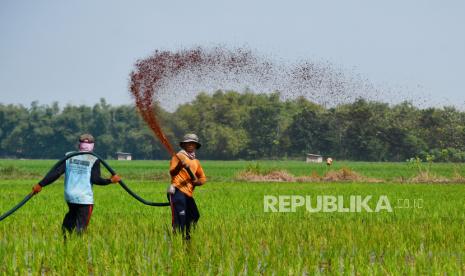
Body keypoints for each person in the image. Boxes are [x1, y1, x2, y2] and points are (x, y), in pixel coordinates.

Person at [31, 134, 121, 237]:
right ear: (93, 146)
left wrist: (40, 184)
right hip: (84, 199)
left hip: (70, 196)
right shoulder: (93, 159)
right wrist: (111, 180)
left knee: (71, 216)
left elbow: (56, 173)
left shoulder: (69, 155)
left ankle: (65, 239)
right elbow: (96, 180)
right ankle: (77, 245)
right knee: (81, 226)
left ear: (79, 145)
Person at [167, 133, 207, 240]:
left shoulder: (196, 161)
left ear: (196, 146)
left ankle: (187, 237)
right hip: (177, 190)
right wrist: (180, 166)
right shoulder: (179, 157)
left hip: (188, 194)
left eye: (193, 143)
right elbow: (172, 172)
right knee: (180, 217)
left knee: (195, 215)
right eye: (188, 143)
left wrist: (196, 182)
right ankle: (175, 239)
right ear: (184, 145)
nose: (190, 145)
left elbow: (203, 178)